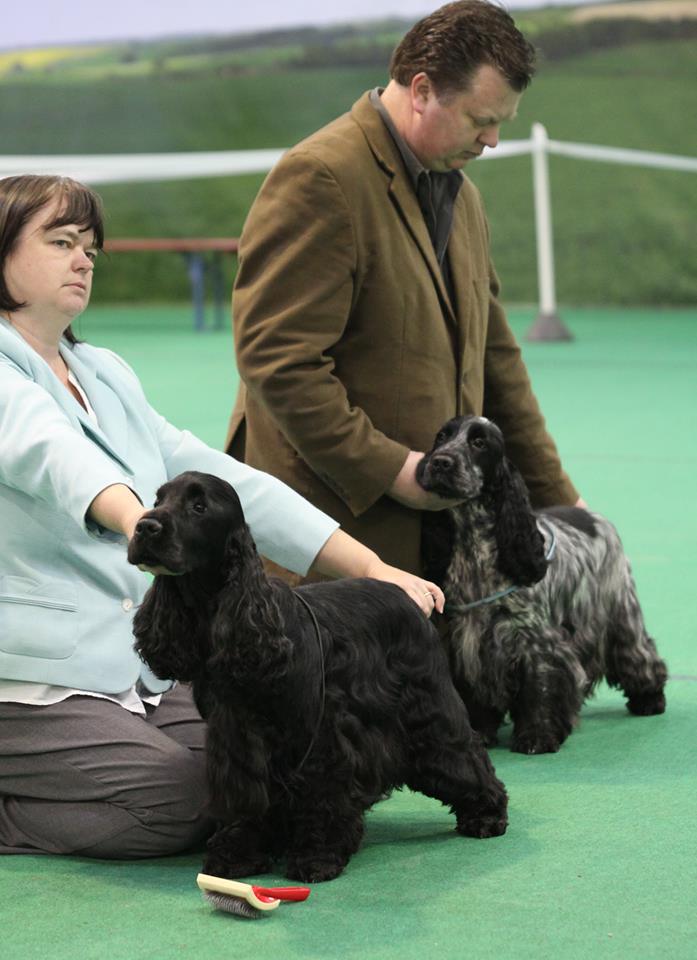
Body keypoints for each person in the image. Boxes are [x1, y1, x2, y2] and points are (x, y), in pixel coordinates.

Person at [0, 174, 444, 860]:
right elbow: (55, 460)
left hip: (131, 671)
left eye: (90, 245)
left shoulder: (102, 371)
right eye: (60, 242)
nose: (84, 258)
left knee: (272, 766)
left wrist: (369, 566)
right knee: (184, 803)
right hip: (32, 685)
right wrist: (142, 523)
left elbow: (229, 482)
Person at [226, 0, 583, 582]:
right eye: (478, 119)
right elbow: (278, 363)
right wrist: (396, 471)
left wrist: (560, 503)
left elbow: (495, 360)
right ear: (421, 90)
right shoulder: (320, 177)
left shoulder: (462, 196)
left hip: (430, 551)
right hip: (324, 553)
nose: (492, 139)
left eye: (502, 123)